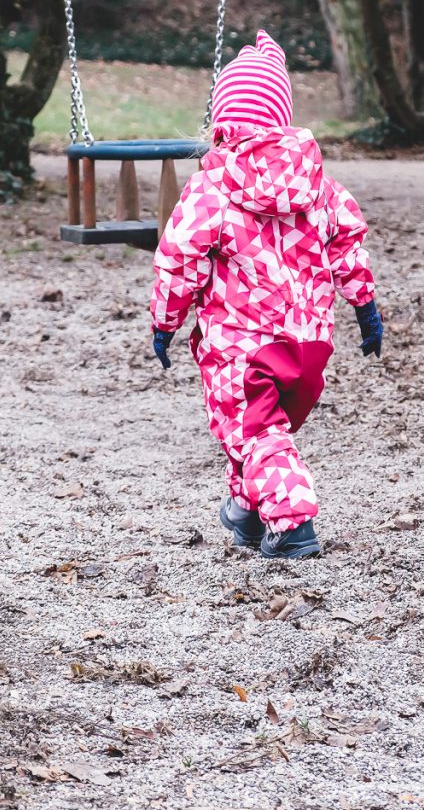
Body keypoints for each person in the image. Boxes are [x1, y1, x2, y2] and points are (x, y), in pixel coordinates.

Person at [149, 30, 383, 559]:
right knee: (256, 427)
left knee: (255, 432)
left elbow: (178, 261)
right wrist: (365, 307)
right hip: (309, 346)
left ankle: (294, 522)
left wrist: (165, 322)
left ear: (220, 126)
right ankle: (247, 513)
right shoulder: (319, 185)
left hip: (243, 344)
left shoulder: (212, 188)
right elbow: (348, 243)